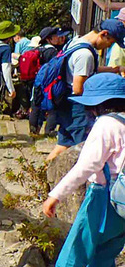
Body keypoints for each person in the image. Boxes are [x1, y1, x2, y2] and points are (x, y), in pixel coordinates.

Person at [25, 73, 125, 267]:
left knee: (70, 259)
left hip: (102, 201)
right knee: (102, 263)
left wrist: (55, 195)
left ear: (98, 104)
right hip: (124, 207)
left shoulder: (107, 124)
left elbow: (86, 167)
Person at [46, 19, 125, 163]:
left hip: (65, 102)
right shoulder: (85, 54)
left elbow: (88, 70)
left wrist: (115, 69)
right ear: (104, 34)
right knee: (81, 148)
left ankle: (40, 175)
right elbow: (78, 88)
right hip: (76, 107)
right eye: (111, 42)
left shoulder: (75, 42)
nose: (109, 46)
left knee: (62, 144)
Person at [29, 27, 65, 137]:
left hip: (36, 82)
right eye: (55, 36)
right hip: (49, 83)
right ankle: (49, 131)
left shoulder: (38, 49)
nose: (58, 37)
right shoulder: (52, 52)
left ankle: (33, 130)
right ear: (49, 39)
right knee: (52, 106)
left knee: (36, 104)